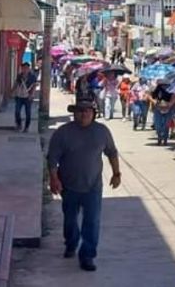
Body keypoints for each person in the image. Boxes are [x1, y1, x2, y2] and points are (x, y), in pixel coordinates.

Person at [46, 101, 121, 272]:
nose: (84, 114)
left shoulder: (102, 132)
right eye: (80, 111)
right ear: (74, 113)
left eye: (88, 111)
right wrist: (53, 179)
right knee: (70, 220)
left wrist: (117, 174)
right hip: (69, 186)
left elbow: (112, 152)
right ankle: (71, 243)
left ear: (94, 113)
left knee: (92, 221)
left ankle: (87, 256)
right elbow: (52, 159)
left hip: (93, 186)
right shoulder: (63, 133)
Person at [12, 63, 37, 132]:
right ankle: (19, 124)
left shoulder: (32, 77)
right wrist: (12, 91)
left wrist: (31, 95)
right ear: (22, 69)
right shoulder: (19, 76)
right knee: (17, 111)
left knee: (28, 113)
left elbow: (34, 86)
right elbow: (16, 84)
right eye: (24, 68)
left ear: (29, 69)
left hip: (27, 97)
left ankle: (26, 127)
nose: (25, 70)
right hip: (19, 96)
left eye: (26, 68)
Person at [150, 81, 174, 146]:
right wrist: (154, 102)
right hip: (158, 108)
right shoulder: (157, 88)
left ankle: (165, 139)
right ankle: (159, 137)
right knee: (158, 125)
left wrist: (171, 103)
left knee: (166, 125)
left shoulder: (172, 87)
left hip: (168, 108)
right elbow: (151, 96)